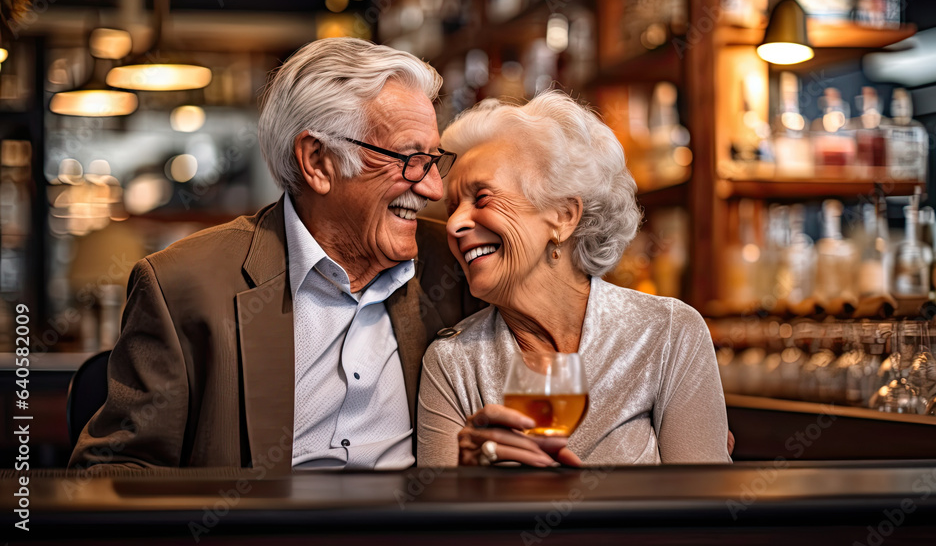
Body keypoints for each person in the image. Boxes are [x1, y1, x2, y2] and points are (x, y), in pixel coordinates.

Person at [69, 38, 481, 472]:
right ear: (318, 161)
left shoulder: (458, 261)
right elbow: (113, 473)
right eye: (411, 159)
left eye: (434, 160)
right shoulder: (182, 286)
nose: (434, 188)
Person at [416, 91, 732, 467]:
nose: (453, 224)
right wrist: (468, 478)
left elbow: (704, 512)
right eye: (452, 209)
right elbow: (440, 520)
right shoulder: (452, 362)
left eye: (482, 198)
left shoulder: (667, 332)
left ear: (564, 216)